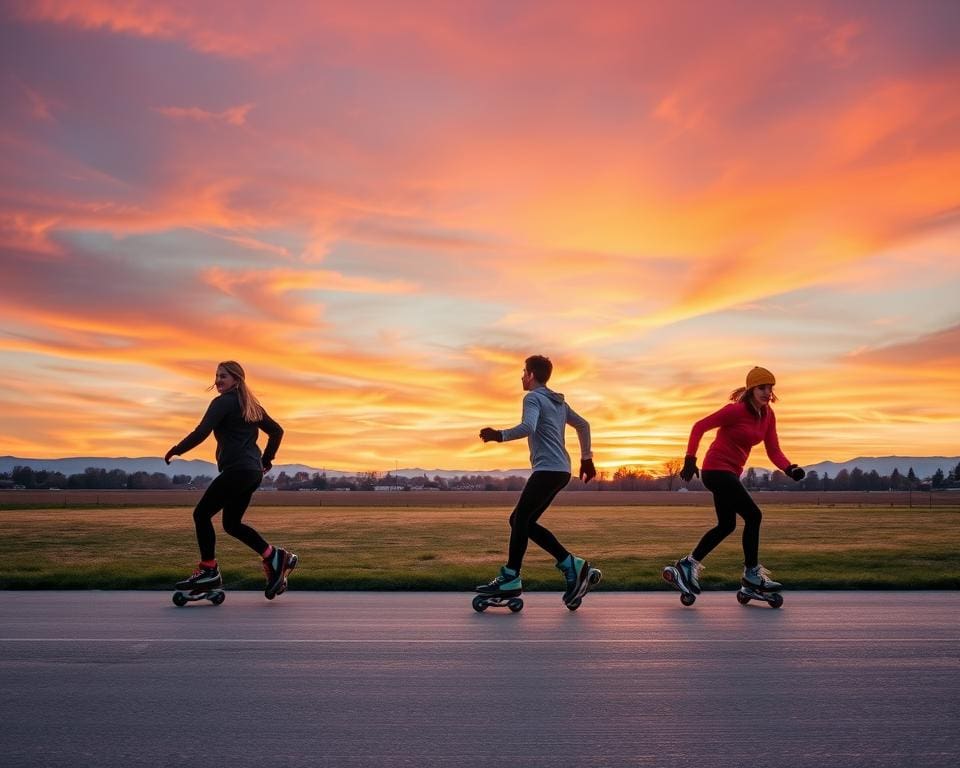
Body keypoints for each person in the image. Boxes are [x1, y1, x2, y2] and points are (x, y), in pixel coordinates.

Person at [165, 360, 297, 599]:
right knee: (232, 524)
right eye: (216, 376)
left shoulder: (223, 402)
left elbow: (202, 431)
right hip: (251, 472)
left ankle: (208, 569)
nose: (217, 381)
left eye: (223, 376)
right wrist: (266, 461)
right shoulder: (250, 404)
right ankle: (273, 555)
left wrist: (177, 449)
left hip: (238, 470)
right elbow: (277, 431)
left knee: (201, 514)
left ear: (236, 379)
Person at [670, 366, 805, 595]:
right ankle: (751, 574)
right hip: (715, 470)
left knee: (727, 525)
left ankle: (688, 564)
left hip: (730, 473)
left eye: (770, 388)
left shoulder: (768, 415)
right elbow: (699, 426)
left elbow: (773, 449)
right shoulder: (735, 410)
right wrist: (690, 459)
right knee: (754, 515)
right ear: (751, 389)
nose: (767, 392)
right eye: (762, 387)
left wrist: (789, 468)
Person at [476, 355, 598, 607]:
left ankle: (512, 577)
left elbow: (528, 427)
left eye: (523, 372)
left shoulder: (532, 397)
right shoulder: (558, 402)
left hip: (547, 470)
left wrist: (499, 435)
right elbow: (583, 425)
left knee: (520, 519)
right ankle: (571, 565)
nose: (521, 376)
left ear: (531, 375)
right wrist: (586, 459)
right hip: (562, 470)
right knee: (523, 521)